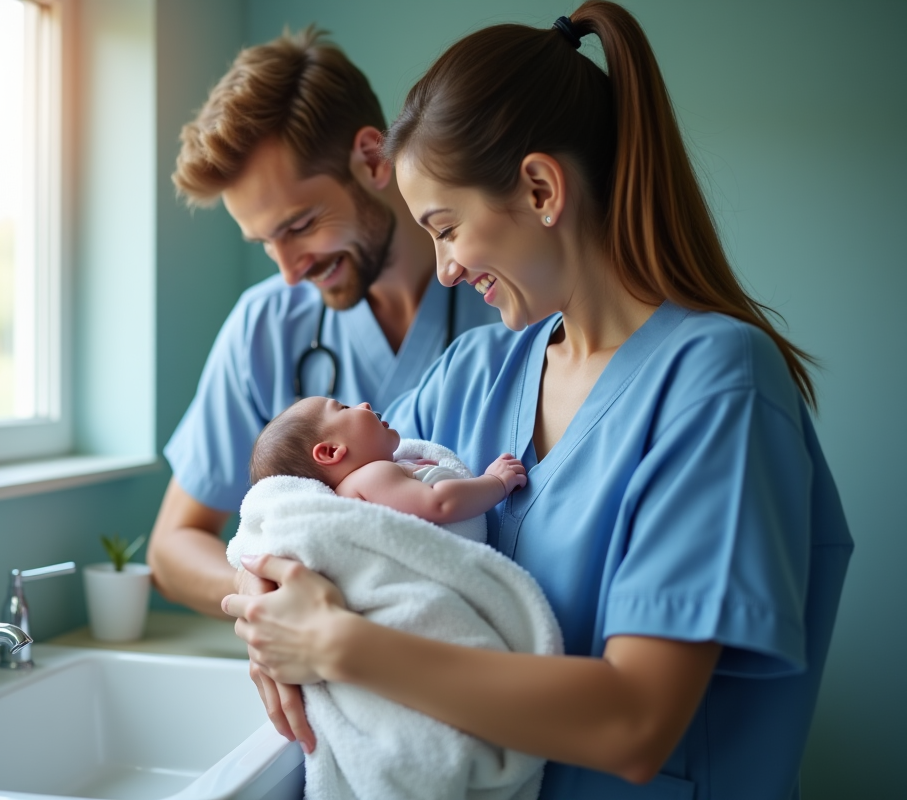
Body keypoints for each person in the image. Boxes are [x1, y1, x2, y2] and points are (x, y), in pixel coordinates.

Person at [222, 4, 853, 799]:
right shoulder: (471, 375)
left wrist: (336, 646)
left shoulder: (716, 383)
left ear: (541, 188)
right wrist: (267, 611)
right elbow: (319, 519)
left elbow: (634, 723)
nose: (446, 269)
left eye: (447, 228)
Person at [149, 27, 500, 617]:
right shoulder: (266, 325)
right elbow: (172, 546)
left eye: (300, 226)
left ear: (371, 158)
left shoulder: (504, 297)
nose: (289, 271)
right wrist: (264, 589)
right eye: (266, 243)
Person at [249, 397, 527, 525]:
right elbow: (439, 503)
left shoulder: (374, 479)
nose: (364, 405)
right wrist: (495, 483)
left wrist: (414, 471)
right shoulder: (371, 476)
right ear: (331, 452)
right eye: (343, 407)